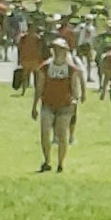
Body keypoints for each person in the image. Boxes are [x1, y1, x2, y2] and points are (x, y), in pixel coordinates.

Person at [33, 32, 84, 172]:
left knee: (62, 134)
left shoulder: (70, 69)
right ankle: (47, 161)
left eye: (59, 49)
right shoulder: (45, 67)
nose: (56, 52)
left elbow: (74, 87)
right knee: (44, 132)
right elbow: (39, 87)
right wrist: (34, 106)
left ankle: (60, 163)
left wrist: (75, 100)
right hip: (48, 104)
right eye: (54, 49)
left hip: (65, 106)